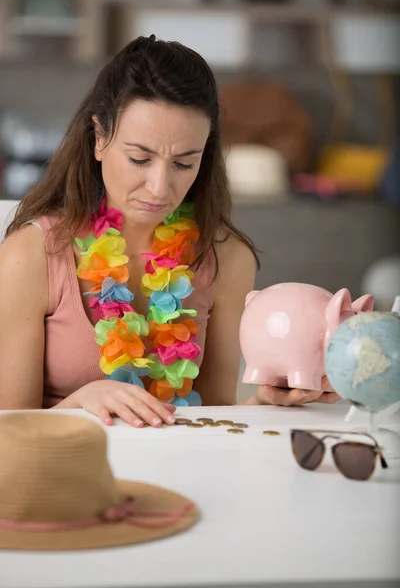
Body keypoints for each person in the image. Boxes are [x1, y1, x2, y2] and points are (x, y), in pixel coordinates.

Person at [0, 36, 339, 427]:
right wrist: (83, 401)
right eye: (139, 158)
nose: (160, 188)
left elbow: (211, 416)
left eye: (183, 163)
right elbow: (9, 435)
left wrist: (266, 402)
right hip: (65, 478)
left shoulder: (227, 259)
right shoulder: (31, 255)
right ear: (98, 138)